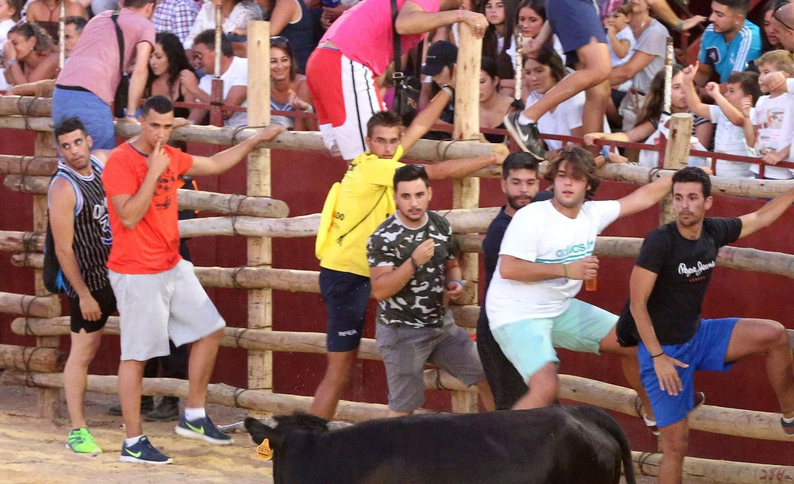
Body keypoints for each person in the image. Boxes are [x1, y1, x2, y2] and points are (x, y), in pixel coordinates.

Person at [624, 166, 794, 484]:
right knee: (675, 445)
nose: (684, 206)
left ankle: (793, 415)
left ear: (707, 203)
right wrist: (657, 358)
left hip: (699, 336)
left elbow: (759, 217)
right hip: (664, 351)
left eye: (692, 198)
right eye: (678, 198)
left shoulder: (713, 231)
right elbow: (637, 304)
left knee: (774, 334)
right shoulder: (660, 242)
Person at [102, 97, 280, 464]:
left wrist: (255, 140)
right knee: (136, 356)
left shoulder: (168, 154)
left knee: (211, 328)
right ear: (140, 122)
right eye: (155, 126)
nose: (161, 133)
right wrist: (153, 171)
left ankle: (194, 415)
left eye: (168, 127)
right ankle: (133, 442)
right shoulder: (121, 161)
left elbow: (214, 163)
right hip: (136, 271)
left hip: (170, 263)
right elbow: (130, 217)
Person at [309, 108, 505, 419]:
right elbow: (436, 173)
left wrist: (447, 91)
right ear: (369, 142)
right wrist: (490, 160)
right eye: (382, 142)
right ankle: (307, 438)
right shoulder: (378, 169)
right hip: (348, 275)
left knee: (345, 372)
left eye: (393, 142)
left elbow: (420, 125)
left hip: (358, 272)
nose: (388, 148)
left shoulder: (382, 161)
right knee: (340, 371)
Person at [485, 144, 674, 410]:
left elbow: (643, 197)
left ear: (588, 184)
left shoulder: (591, 213)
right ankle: (504, 448)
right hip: (516, 314)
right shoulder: (531, 216)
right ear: (553, 179)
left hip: (559, 308)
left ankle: (654, 413)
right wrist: (566, 269)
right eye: (561, 176)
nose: (567, 183)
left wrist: (684, 177)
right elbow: (509, 269)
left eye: (576, 178)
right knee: (547, 386)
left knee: (634, 341)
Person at [504, 0, 703, 155]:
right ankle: (526, 118)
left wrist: (541, 39)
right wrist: (680, 23)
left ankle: (592, 155)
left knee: (599, 87)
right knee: (600, 70)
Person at [306, 0, 484, 161]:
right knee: (374, 159)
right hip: (345, 61)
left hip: (325, 60)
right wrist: (461, 15)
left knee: (364, 162)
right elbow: (404, 23)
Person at [366, 163, 491, 416]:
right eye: (406, 196)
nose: (414, 202)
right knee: (404, 409)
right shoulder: (383, 236)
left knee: (489, 377)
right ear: (395, 198)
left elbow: (451, 264)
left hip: (442, 329)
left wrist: (456, 283)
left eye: (419, 195)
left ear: (430, 194)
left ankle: (506, 440)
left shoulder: (440, 225)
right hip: (402, 333)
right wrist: (413, 262)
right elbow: (379, 290)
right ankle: (388, 456)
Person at [44, 117, 114, 455]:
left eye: (77, 143)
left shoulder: (102, 161)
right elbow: (63, 249)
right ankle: (78, 429)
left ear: (88, 141)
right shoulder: (62, 187)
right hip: (89, 279)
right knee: (82, 353)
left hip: (118, 272)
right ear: (59, 150)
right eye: (66, 146)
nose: (73, 151)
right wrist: (83, 294)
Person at [51, 0, 158, 151]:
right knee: (100, 163)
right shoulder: (145, 24)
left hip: (61, 93)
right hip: (90, 96)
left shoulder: (100, 17)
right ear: (150, 7)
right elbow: (141, 69)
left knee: (69, 164)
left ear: (122, 2)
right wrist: (130, 113)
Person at [477, 151, 543, 408]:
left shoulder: (543, 205)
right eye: (516, 183)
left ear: (539, 184)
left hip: (527, 327)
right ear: (503, 184)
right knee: (517, 415)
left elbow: (581, 189)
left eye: (530, 182)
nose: (523, 190)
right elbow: (520, 276)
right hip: (500, 330)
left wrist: (605, 157)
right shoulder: (499, 233)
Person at [696, 0, 761, 85]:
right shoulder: (710, 31)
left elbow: (736, 85)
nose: (711, 18)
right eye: (712, 11)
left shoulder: (749, 37)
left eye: (719, 15)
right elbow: (703, 72)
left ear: (738, 19)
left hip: (744, 96)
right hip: (723, 94)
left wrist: (700, 93)